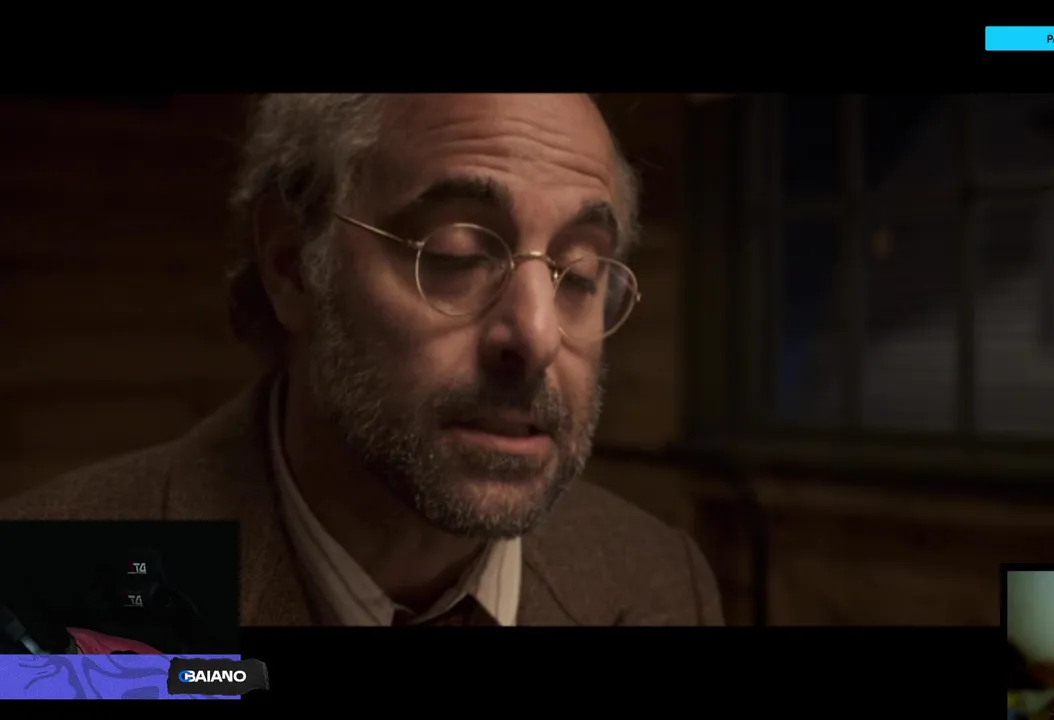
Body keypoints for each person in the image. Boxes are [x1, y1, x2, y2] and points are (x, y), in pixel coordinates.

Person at [0, 94, 724, 627]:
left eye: (579, 272)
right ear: (292, 265)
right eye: (455, 254)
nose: (537, 336)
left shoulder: (659, 580)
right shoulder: (73, 595)